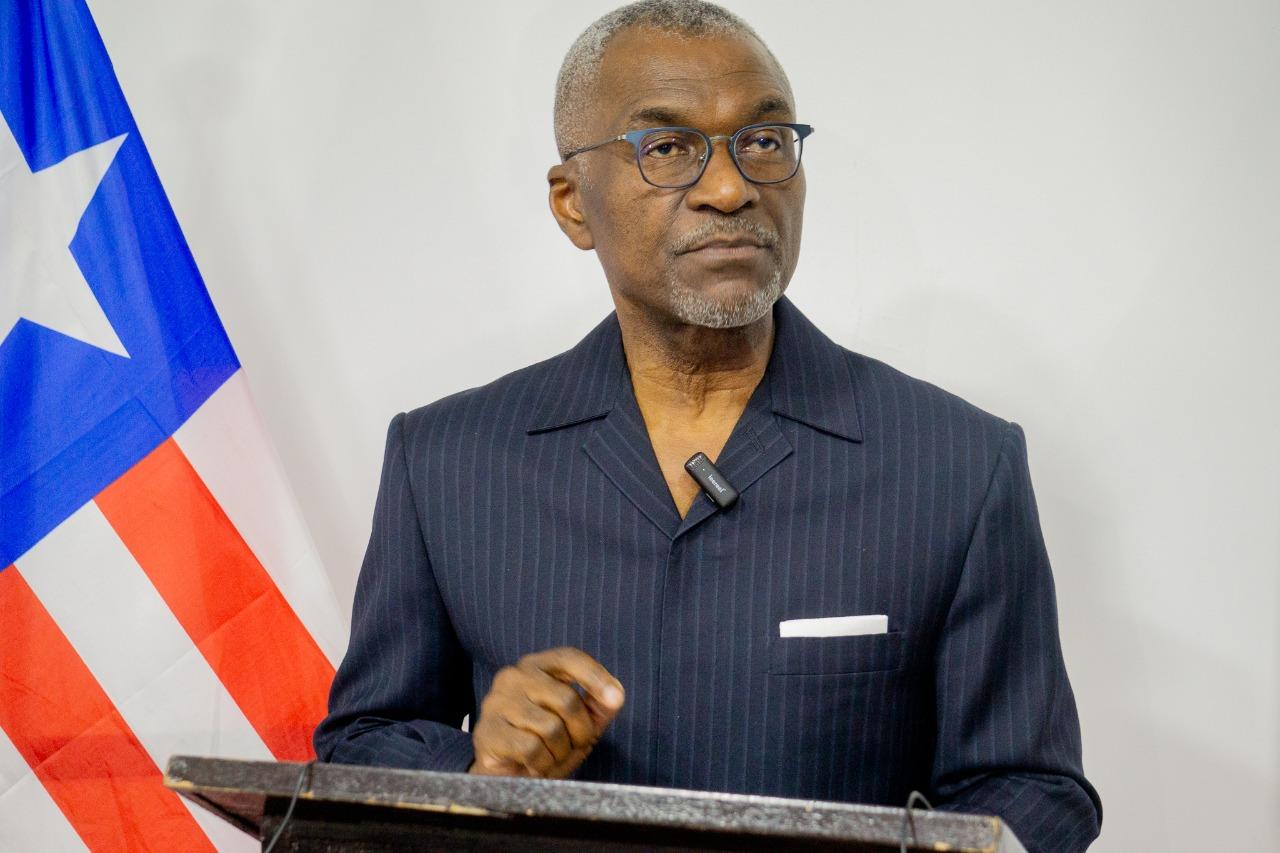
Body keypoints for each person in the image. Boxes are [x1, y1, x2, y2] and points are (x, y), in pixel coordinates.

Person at [314, 2, 1103, 850]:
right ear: (573, 203)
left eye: (763, 141)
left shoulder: (958, 462)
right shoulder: (446, 461)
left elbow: (1033, 790)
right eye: (667, 148)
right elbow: (362, 741)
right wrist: (476, 771)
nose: (730, 188)